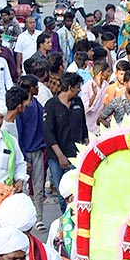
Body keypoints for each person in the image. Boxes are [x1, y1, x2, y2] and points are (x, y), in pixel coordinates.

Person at [43, 74, 87, 213]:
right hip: (57, 157)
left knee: (76, 191)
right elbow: (49, 134)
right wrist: (60, 156)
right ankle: (65, 218)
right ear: (69, 88)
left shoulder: (78, 102)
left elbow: (83, 126)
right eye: (77, 87)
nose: (80, 90)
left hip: (76, 154)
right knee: (62, 193)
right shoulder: (51, 106)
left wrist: (87, 146)